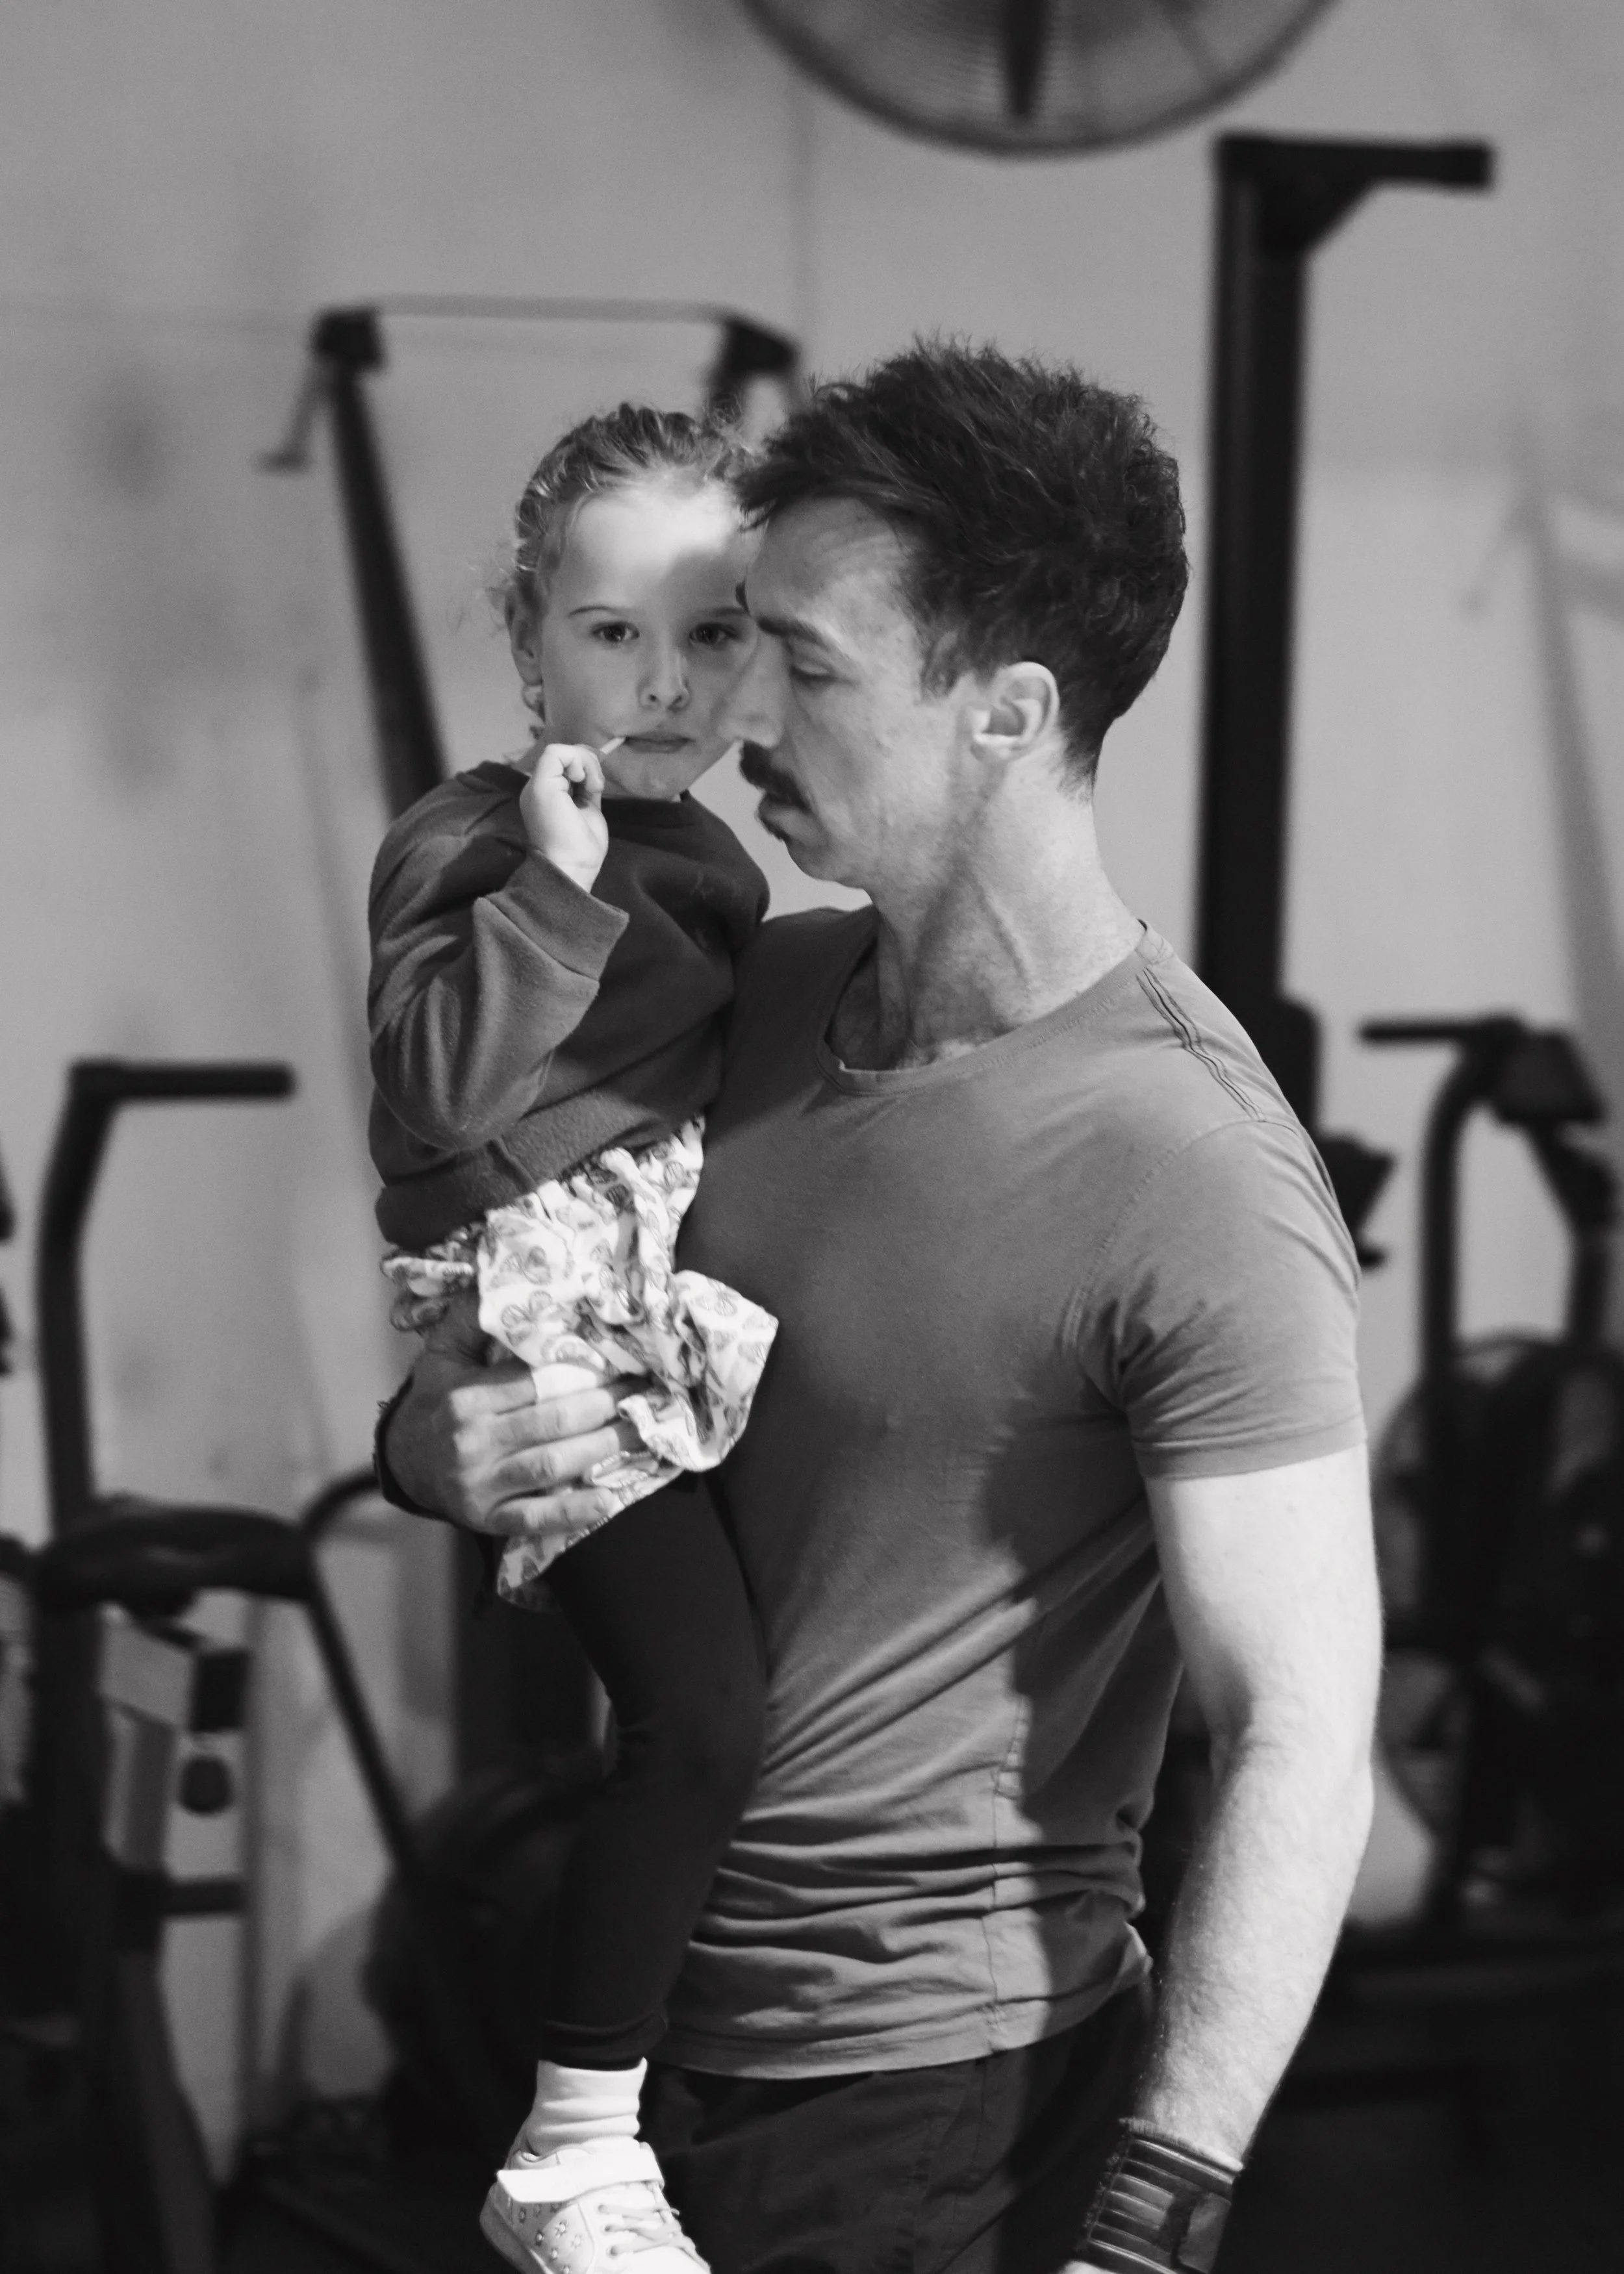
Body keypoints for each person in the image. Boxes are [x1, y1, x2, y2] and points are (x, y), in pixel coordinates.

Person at [377, 343, 1381, 2274]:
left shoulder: (1197, 1168)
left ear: (1003, 712)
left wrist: (1153, 2220)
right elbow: (528, 1330)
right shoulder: (725, 994)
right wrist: (424, 1449)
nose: (734, 702)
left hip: (934, 2104)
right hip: (630, 2034)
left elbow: (1300, 1730)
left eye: (807, 664)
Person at [368, 404, 778, 2273]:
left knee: (714, 1713)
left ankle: (642, 2099)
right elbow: (426, 1108)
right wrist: (551, 883)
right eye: (615, 632)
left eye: (714, 631)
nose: (669, 676)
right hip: (542, 1299)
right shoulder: (472, 839)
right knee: (697, 1717)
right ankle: (566, 2141)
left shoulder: (722, 860)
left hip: (655, 1292)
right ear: (525, 633)